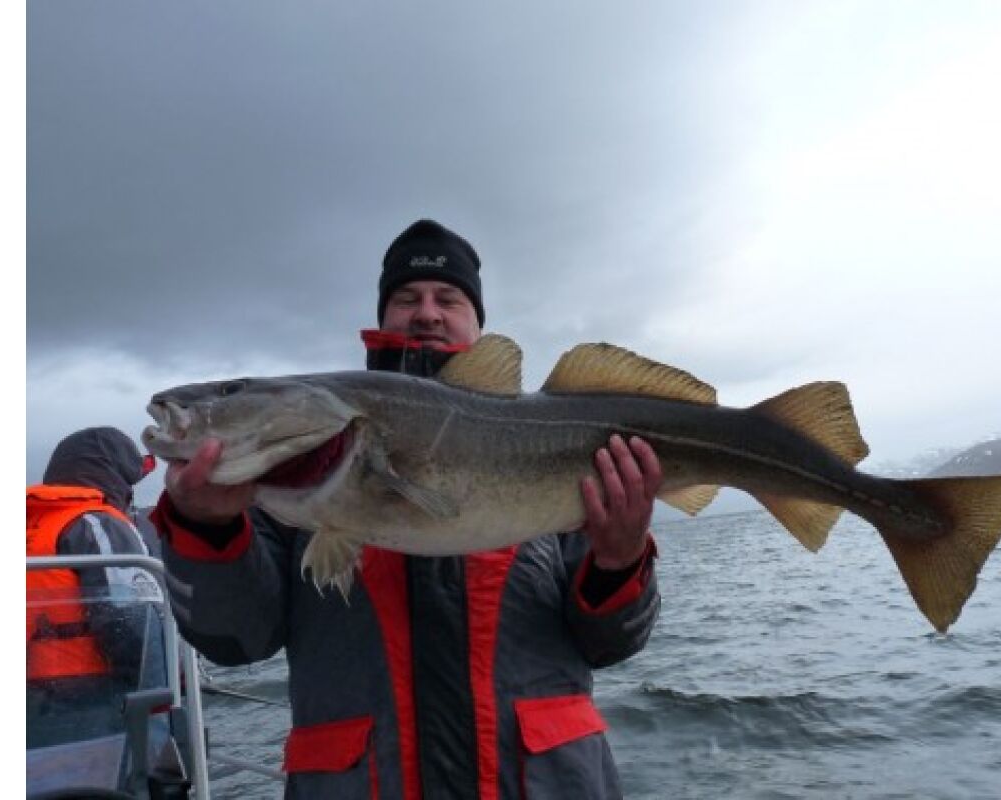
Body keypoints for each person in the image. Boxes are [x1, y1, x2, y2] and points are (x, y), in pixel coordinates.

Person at [152, 219, 663, 798]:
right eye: (406, 298)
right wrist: (207, 528)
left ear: (477, 322)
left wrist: (619, 562)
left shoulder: (566, 447)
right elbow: (236, 641)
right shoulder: (274, 487)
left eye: (448, 298)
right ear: (381, 315)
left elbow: (611, 644)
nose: (427, 313)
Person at [27, 426, 167, 749]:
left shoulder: (31, 528)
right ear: (115, 476)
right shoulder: (96, 524)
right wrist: (162, 703)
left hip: (32, 712)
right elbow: (133, 629)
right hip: (94, 706)